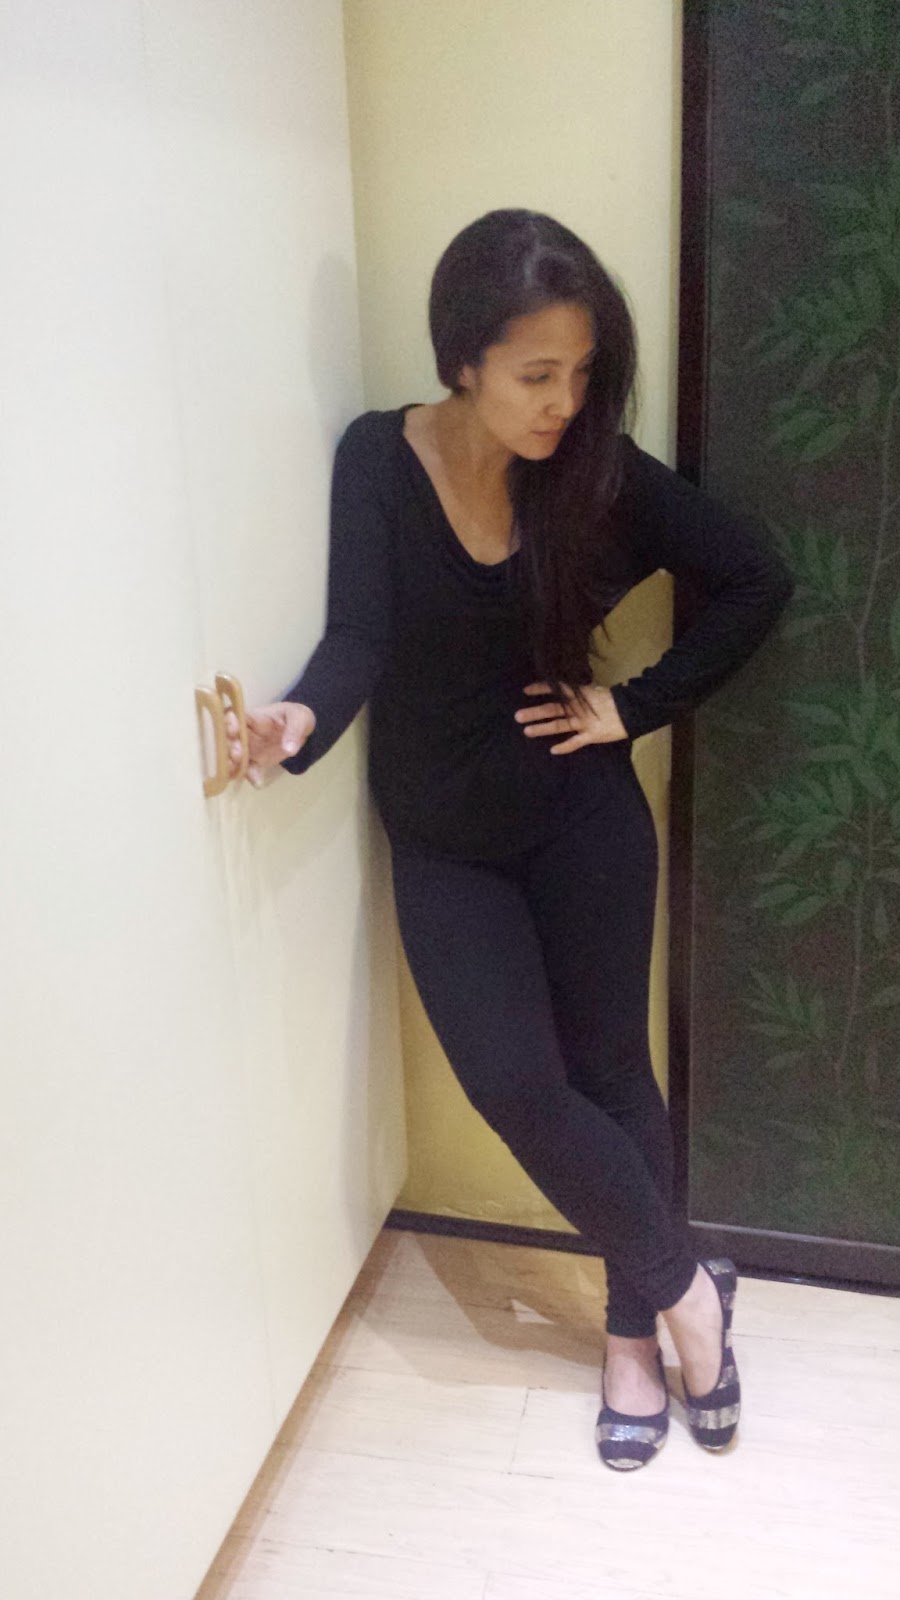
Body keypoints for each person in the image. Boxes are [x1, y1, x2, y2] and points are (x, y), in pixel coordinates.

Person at [223, 210, 794, 1471]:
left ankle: (636, 1338)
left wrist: (633, 707)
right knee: (518, 1088)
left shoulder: (591, 470)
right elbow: (359, 636)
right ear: (463, 358)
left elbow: (757, 576)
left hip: (582, 821)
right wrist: (297, 720)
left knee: (614, 1073)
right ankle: (691, 1294)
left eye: (582, 372)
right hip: (445, 840)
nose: (564, 402)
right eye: (538, 373)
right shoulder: (377, 460)